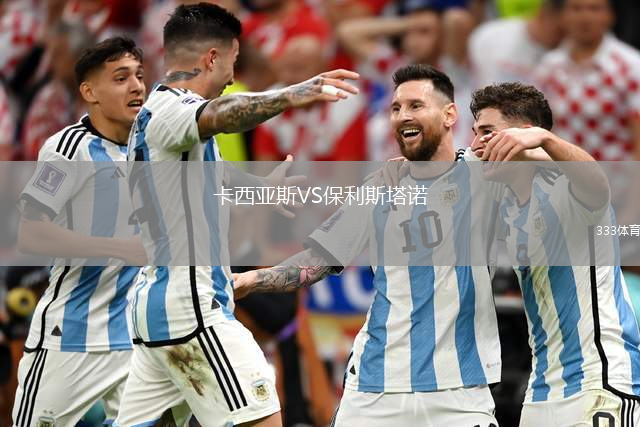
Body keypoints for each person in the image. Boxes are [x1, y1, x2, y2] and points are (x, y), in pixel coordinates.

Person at [232, 64, 516, 426]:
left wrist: (534, 142)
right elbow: (319, 259)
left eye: (416, 105)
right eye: (396, 108)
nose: (403, 116)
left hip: (459, 390)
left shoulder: (484, 176)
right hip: (374, 386)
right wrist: (251, 280)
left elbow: (570, 183)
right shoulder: (380, 186)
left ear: (449, 115)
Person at [116, 3, 359, 427]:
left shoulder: (156, 116)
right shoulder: (178, 109)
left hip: (154, 307)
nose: (232, 77)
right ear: (212, 57)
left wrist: (261, 189)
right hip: (194, 308)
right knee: (264, 419)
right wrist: (292, 93)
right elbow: (222, 115)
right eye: (232, 61)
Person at [470, 82, 640, 426]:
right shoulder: (504, 203)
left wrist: (545, 141)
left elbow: (597, 181)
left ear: (525, 133)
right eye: (475, 133)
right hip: (541, 391)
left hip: (599, 380)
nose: (475, 144)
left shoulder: (569, 186)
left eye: (486, 132)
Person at [12, 36, 146, 427]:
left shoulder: (152, 147)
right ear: (90, 93)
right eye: (121, 78)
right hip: (71, 336)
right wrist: (119, 248)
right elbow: (31, 233)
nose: (136, 86)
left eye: (139, 76)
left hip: (138, 340)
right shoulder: (68, 150)